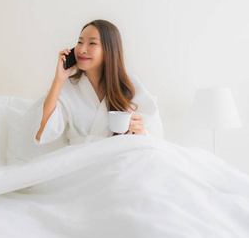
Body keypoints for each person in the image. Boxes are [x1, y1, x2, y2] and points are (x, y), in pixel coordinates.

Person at [25, 19, 163, 146]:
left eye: (92, 43)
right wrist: (58, 80)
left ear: (109, 50)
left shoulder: (129, 85)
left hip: (119, 158)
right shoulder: (67, 88)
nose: (82, 49)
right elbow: (41, 132)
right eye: (79, 42)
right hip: (82, 160)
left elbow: (156, 139)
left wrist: (141, 132)